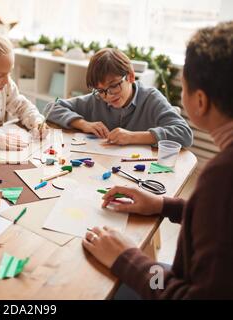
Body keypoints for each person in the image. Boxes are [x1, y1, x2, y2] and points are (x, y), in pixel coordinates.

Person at [82, 21, 233, 299]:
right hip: (176, 276)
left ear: (199, 100)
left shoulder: (221, 177)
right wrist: (163, 204)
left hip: (167, 286)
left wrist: (128, 258)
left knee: (89, 284)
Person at [44, 48, 193, 147]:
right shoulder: (98, 98)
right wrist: (84, 124)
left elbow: (184, 133)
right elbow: (50, 108)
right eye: (101, 90)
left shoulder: (151, 98)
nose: (108, 96)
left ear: (130, 76)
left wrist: (133, 137)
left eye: (114, 85)